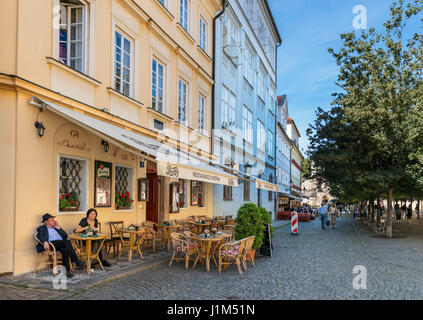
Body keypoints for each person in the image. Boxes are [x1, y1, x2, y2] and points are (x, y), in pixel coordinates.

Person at [36, 213, 84, 278]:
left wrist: (59, 228)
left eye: (54, 219)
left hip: (61, 244)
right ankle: (76, 261)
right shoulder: (42, 228)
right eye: (52, 220)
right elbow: (39, 235)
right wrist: (44, 242)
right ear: (46, 222)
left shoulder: (56, 228)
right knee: (67, 242)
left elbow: (65, 235)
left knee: (65, 250)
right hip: (52, 244)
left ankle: (67, 271)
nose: (54, 221)